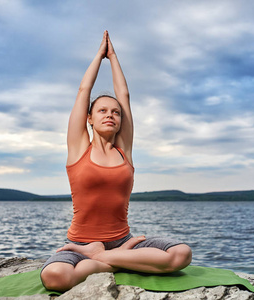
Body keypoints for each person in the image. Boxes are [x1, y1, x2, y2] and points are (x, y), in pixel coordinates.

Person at [40, 31, 192, 292]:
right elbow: (83, 90)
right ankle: (119, 261)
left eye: (115, 113)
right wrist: (100, 56)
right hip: (81, 244)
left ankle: (105, 259)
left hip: (123, 242)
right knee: (54, 276)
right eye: (102, 110)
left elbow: (125, 96)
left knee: (182, 254)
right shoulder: (79, 150)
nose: (110, 115)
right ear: (89, 118)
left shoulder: (124, 151)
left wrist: (115, 57)